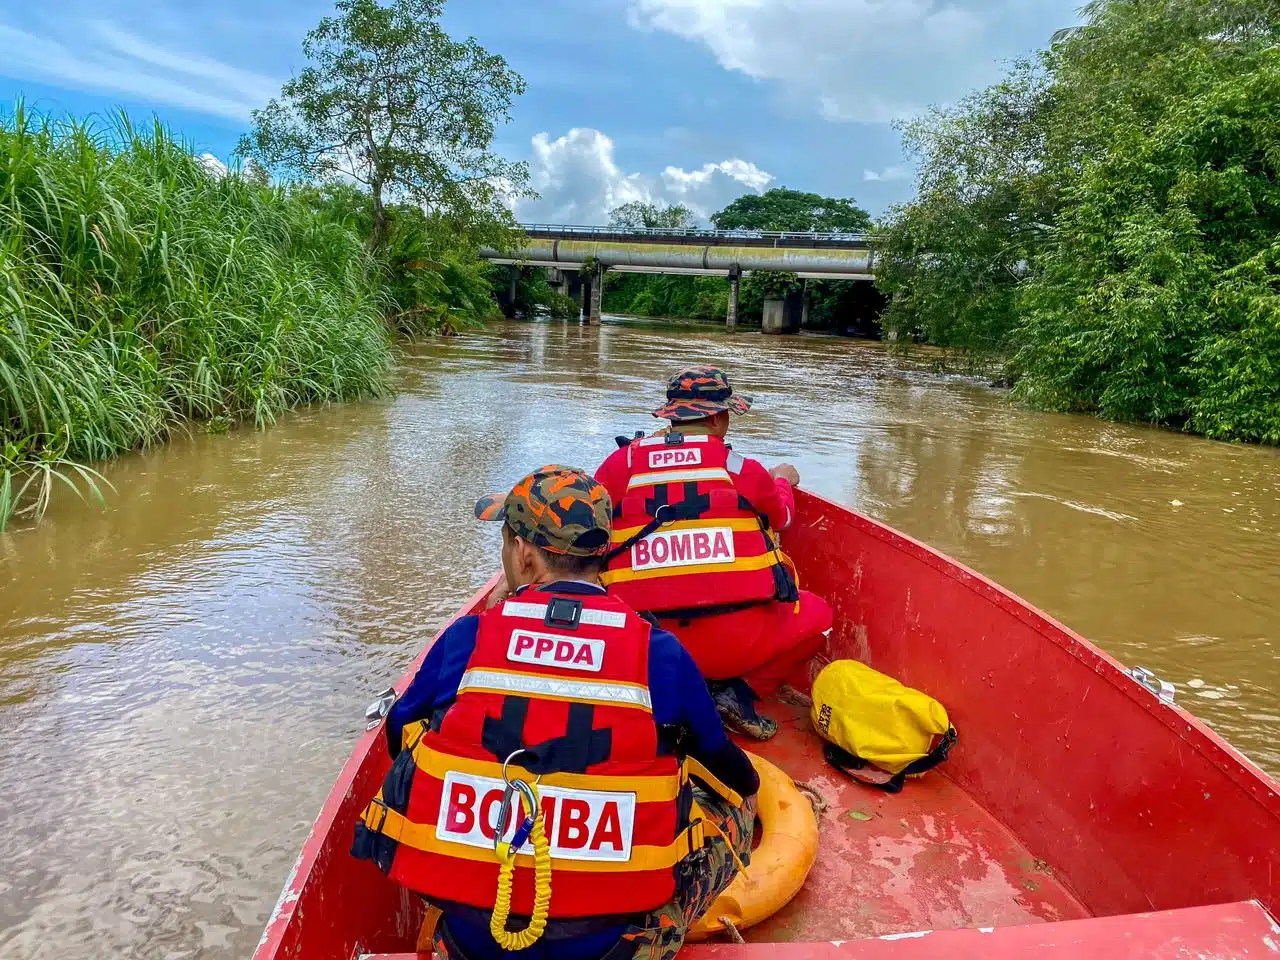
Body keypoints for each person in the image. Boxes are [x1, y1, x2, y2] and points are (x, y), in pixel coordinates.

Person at [352, 465, 758, 960]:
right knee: (740, 803)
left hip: (470, 942)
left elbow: (400, 733)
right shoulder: (659, 653)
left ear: (523, 554)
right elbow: (731, 770)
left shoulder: (468, 638)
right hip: (613, 949)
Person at [594, 366, 833, 741]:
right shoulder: (743, 471)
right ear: (721, 418)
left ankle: (649, 699)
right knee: (820, 616)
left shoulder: (620, 465)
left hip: (646, 647)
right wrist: (781, 480)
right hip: (734, 647)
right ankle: (739, 694)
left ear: (671, 416)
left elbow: (589, 533)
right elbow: (782, 518)